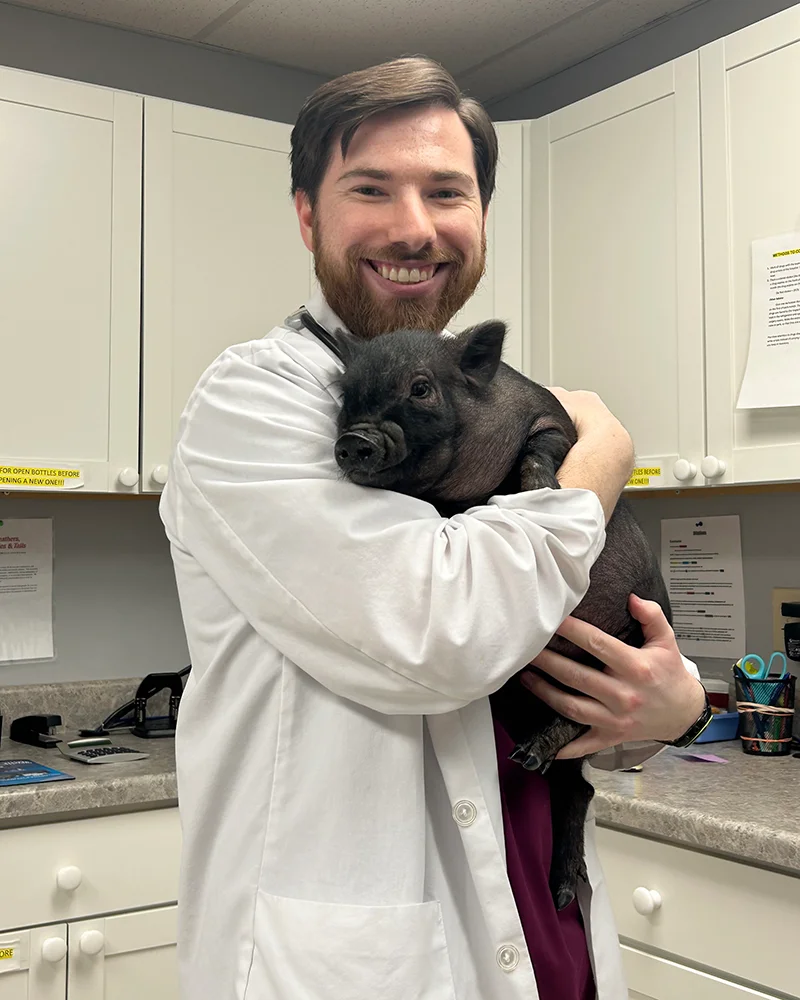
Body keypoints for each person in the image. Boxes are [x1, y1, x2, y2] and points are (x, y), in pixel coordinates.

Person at [159, 56, 707, 1000]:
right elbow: (442, 635)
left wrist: (663, 714)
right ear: (306, 215)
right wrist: (595, 469)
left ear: (482, 218)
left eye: (446, 192)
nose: (415, 228)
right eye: (370, 188)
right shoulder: (254, 401)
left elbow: (546, 648)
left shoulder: (476, 398)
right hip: (368, 958)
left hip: (544, 919)